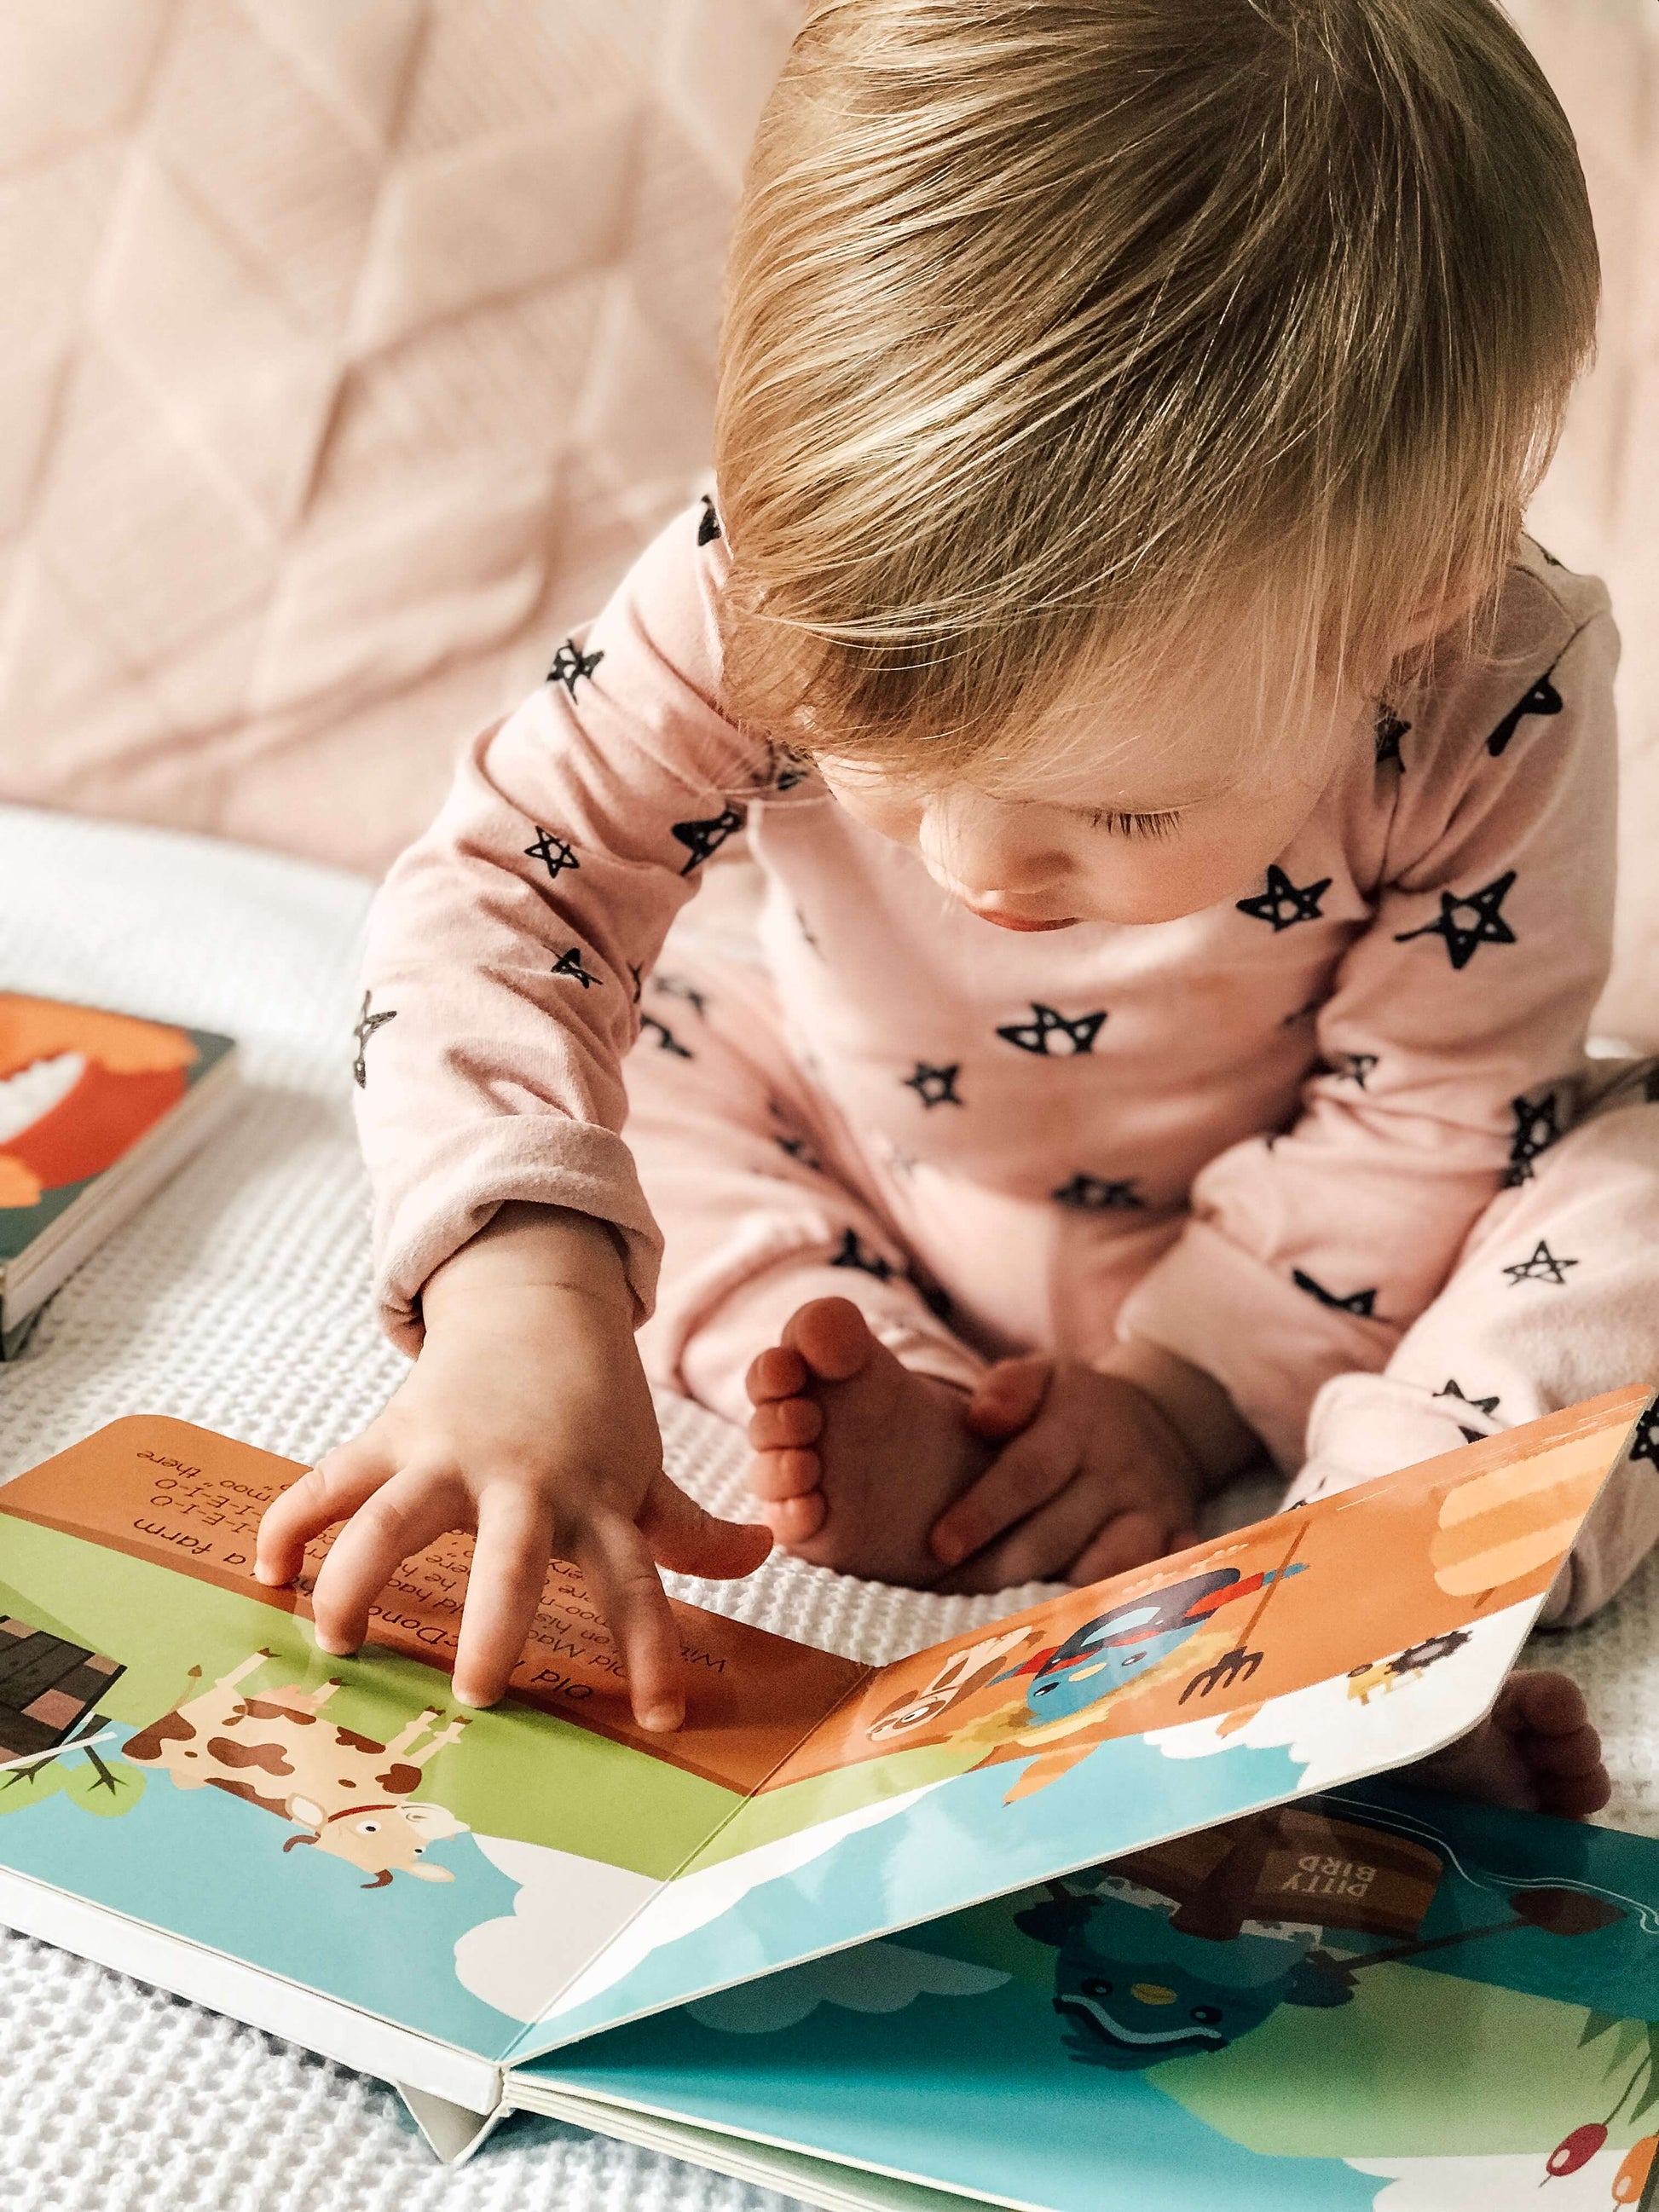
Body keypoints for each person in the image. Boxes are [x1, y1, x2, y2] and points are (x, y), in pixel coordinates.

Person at [256, 0, 1657, 1818]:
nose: (975, 871)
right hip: (862, 1139)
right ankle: (892, 1390)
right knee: (655, 1054)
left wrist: (1174, 1395)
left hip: (1335, 1252)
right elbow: (511, 879)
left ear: (1417, 595)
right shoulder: (764, 568)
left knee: (1624, 1200)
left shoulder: (1497, 686)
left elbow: (1434, 1112)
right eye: (883, 760)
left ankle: (1354, 1621)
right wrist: (522, 1292)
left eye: (1122, 806)